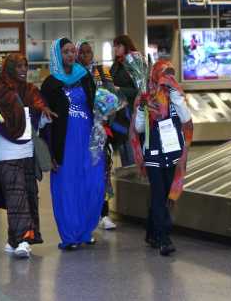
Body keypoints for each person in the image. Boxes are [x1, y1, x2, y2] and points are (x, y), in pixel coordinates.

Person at [0, 54, 56, 258]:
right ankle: (23, 239)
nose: (23, 69)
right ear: (9, 68)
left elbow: (39, 120)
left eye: (25, 66)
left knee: (28, 195)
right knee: (16, 195)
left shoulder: (31, 91)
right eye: (18, 66)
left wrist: (42, 116)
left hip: (27, 151)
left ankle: (14, 239)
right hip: (6, 152)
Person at [41, 38, 105, 250]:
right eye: (66, 52)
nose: (70, 55)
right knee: (68, 186)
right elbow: (44, 121)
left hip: (88, 138)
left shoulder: (85, 76)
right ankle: (70, 235)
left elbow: (96, 103)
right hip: (65, 142)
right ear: (58, 55)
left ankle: (86, 230)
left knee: (92, 183)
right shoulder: (50, 84)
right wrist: (49, 152)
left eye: (72, 51)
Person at [130, 60, 193, 256]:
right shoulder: (146, 97)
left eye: (171, 73)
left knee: (165, 194)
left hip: (173, 153)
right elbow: (139, 128)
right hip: (154, 154)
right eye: (165, 73)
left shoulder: (176, 96)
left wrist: (175, 94)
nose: (168, 77)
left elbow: (185, 119)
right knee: (158, 195)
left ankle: (152, 232)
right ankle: (164, 238)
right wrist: (141, 108)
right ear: (156, 74)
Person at [76, 40, 117, 231]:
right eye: (81, 52)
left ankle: (104, 213)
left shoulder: (102, 71)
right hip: (81, 129)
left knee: (103, 171)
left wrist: (106, 111)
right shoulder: (73, 74)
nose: (85, 55)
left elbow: (111, 93)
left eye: (88, 52)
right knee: (84, 172)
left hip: (101, 128)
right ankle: (86, 213)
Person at [110, 35, 139, 167]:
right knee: (123, 150)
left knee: (131, 149)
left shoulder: (134, 63)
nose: (115, 48)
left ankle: (135, 181)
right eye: (114, 46)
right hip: (119, 114)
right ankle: (127, 182)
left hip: (132, 113)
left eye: (118, 45)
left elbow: (139, 90)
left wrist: (119, 89)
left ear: (126, 46)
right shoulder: (116, 64)